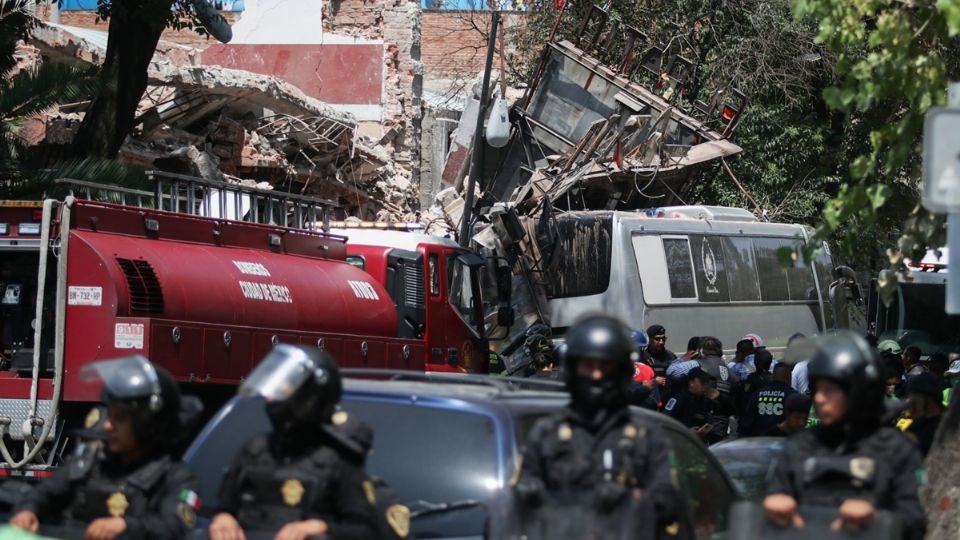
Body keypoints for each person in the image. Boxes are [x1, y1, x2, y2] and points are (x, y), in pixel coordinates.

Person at [508, 314, 679, 539]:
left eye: (605, 367)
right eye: (588, 366)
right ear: (573, 370)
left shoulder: (646, 438)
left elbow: (668, 512)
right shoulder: (546, 435)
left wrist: (629, 500)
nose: (597, 375)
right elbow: (517, 507)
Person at [9, 356, 200, 540]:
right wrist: (28, 510)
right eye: (110, 416)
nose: (108, 426)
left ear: (148, 423)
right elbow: (47, 491)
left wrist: (127, 526)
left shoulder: (175, 477)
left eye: (120, 418)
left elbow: (174, 528)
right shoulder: (92, 460)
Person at [764, 332, 926, 540]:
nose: (820, 399)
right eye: (817, 389)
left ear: (859, 391)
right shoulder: (800, 446)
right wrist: (775, 503)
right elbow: (776, 497)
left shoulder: (897, 450)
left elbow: (915, 520)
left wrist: (875, 517)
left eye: (829, 390)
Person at [209, 344, 379, 540]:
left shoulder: (339, 460)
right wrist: (223, 518)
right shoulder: (253, 451)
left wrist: (318, 528)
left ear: (310, 397)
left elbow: (365, 531)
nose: (271, 396)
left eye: (284, 386)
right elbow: (225, 508)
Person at [664, 365, 736, 444]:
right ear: (691, 382)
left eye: (707, 382)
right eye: (703, 382)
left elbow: (731, 411)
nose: (706, 385)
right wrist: (686, 431)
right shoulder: (679, 399)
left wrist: (720, 397)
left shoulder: (705, 400)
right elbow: (664, 422)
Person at [738, 361, 797, 438]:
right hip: (783, 444)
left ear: (773, 377)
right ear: (789, 377)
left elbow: (746, 424)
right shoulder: (794, 396)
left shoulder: (757, 394)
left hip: (759, 443)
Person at [903, 372, 944, 457]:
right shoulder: (912, 429)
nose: (910, 411)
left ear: (930, 402)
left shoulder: (949, 430)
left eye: (915, 403)